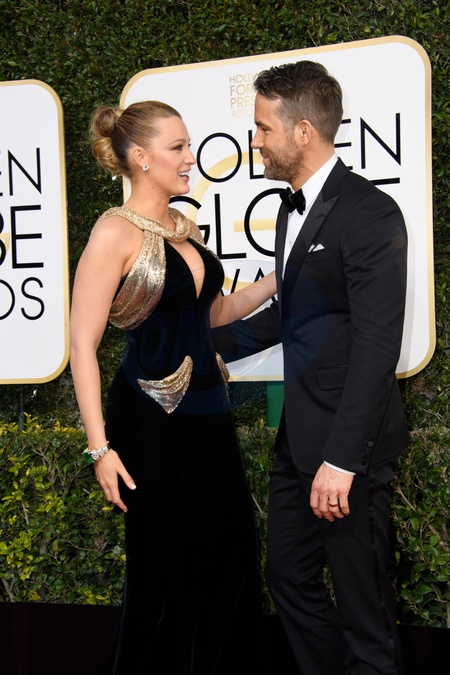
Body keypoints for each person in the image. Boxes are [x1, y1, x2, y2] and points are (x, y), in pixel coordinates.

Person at [213, 60, 409, 675]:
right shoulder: (287, 210)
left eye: (263, 128)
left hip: (347, 451)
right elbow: (290, 316)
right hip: (298, 438)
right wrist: (204, 347)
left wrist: (343, 460)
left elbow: (377, 344)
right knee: (288, 578)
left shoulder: (370, 212)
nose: (255, 141)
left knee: (364, 607)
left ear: (302, 131)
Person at [69, 100, 276, 674]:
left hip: (209, 411)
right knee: (161, 567)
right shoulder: (113, 232)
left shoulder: (185, 228)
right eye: (178, 147)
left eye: (189, 146)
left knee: (229, 558)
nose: (190, 158)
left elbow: (209, 316)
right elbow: (81, 344)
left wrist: (277, 280)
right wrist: (100, 449)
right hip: (148, 418)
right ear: (141, 157)